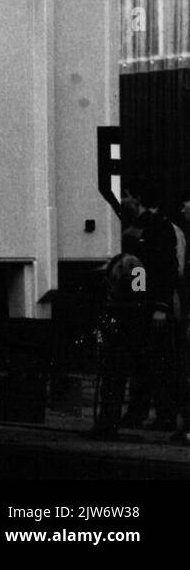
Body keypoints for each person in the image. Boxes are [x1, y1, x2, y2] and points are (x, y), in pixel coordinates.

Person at [121, 176, 186, 438]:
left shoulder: (157, 227)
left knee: (158, 361)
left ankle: (164, 414)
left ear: (136, 197)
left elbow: (166, 269)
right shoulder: (140, 226)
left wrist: (160, 305)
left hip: (152, 304)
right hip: (141, 304)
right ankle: (141, 412)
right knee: (142, 361)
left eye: (125, 195)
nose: (123, 200)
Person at [91, 229, 149, 438]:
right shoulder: (128, 263)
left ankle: (108, 422)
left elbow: (137, 293)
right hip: (124, 319)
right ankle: (107, 421)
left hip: (124, 320)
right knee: (112, 375)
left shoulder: (130, 263)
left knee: (114, 375)